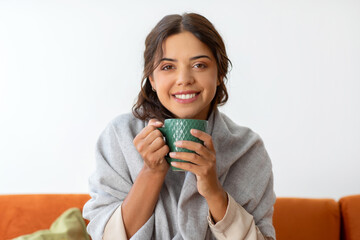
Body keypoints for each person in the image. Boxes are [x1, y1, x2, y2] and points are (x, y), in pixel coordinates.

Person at [83, 12, 276, 240]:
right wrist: (151, 171)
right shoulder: (120, 137)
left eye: (199, 65)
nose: (184, 78)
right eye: (167, 67)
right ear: (152, 79)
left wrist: (213, 190)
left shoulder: (247, 149)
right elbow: (107, 237)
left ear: (220, 74)